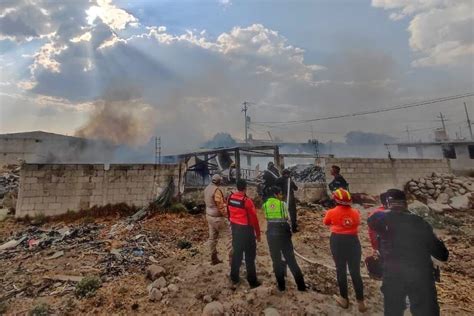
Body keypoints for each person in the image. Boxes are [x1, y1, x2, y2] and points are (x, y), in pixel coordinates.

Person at [368, 189, 449, 316]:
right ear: (406, 204)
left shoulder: (382, 223)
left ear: (388, 205)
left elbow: (373, 220)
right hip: (420, 278)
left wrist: (390, 212)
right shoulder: (420, 223)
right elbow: (442, 255)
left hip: (393, 277)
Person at [323, 188, 367, 312]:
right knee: (355, 272)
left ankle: (344, 299)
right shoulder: (356, 212)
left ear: (335, 200)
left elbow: (326, 222)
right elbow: (357, 223)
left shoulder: (331, 212)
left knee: (340, 270)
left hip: (337, 241)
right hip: (353, 241)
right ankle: (361, 302)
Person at [263, 186, 306, 292]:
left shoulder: (265, 205)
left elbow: (267, 218)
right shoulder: (282, 204)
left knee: (276, 260)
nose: (281, 196)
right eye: (280, 194)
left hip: (271, 233)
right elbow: (286, 217)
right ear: (276, 194)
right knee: (291, 259)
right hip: (283, 232)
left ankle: (281, 286)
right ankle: (301, 286)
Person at [227, 179, 261, 288]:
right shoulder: (247, 201)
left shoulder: (230, 198)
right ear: (245, 187)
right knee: (250, 257)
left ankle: (234, 277)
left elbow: (228, 213)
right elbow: (254, 219)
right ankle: (252, 281)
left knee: (237, 254)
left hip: (235, 229)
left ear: (237, 187)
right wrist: (258, 234)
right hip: (246, 231)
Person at [203, 174, 231, 265]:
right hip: (217, 218)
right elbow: (220, 206)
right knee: (230, 238)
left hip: (209, 217)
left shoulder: (207, 188)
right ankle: (233, 261)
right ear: (219, 181)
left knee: (212, 239)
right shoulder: (216, 190)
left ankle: (213, 259)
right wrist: (227, 215)